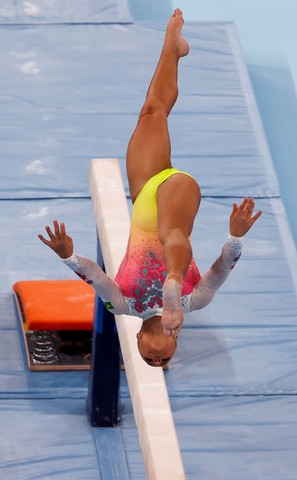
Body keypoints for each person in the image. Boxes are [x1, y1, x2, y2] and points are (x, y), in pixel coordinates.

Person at [39, 9, 262, 367]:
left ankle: (172, 47)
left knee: (152, 113)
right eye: (163, 359)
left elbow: (94, 277)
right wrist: (235, 237)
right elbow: (222, 267)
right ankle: (173, 279)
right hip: (176, 196)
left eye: (147, 358)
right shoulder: (196, 300)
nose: (156, 357)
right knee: (171, 233)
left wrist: (67, 255)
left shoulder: (123, 304)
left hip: (146, 192)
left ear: (138, 338)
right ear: (175, 343)